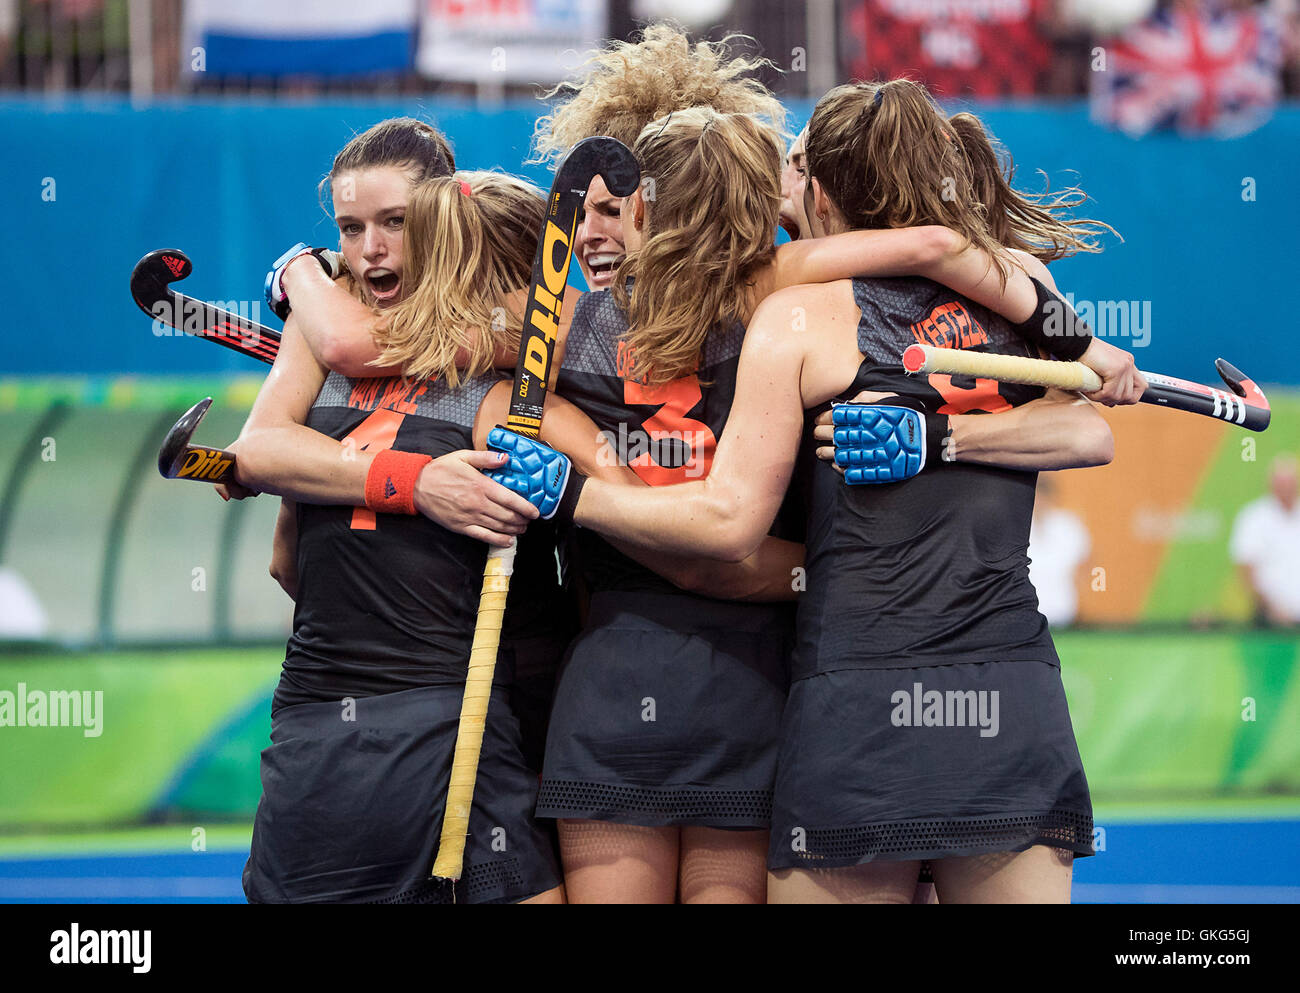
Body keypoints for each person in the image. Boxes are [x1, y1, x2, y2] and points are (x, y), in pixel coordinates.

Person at [521, 79, 1141, 903]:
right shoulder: (1014, 281)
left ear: (819, 184)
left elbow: (729, 524)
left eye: (797, 161)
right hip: (1006, 692)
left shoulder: (796, 311)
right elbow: (1088, 426)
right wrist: (1077, 350)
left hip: (854, 695)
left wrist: (577, 495)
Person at [1230, 454, 1300, 627]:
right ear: (1271, 485)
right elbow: (1246, 570)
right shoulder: (1254, 517)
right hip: (1270, 621)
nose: (1286, 489)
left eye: (1289, 483)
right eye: (1281, 483)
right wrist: (1270, 609)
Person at [1028, 474, 1092, 628]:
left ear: (1050, 497)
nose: (1039, 503)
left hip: (1062, 612)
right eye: (1036, 498)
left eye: (1043, 496)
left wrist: (1083, 591)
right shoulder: (1016, 526)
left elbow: (1088, 562)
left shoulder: (1068, 525)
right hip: (1027, 614)